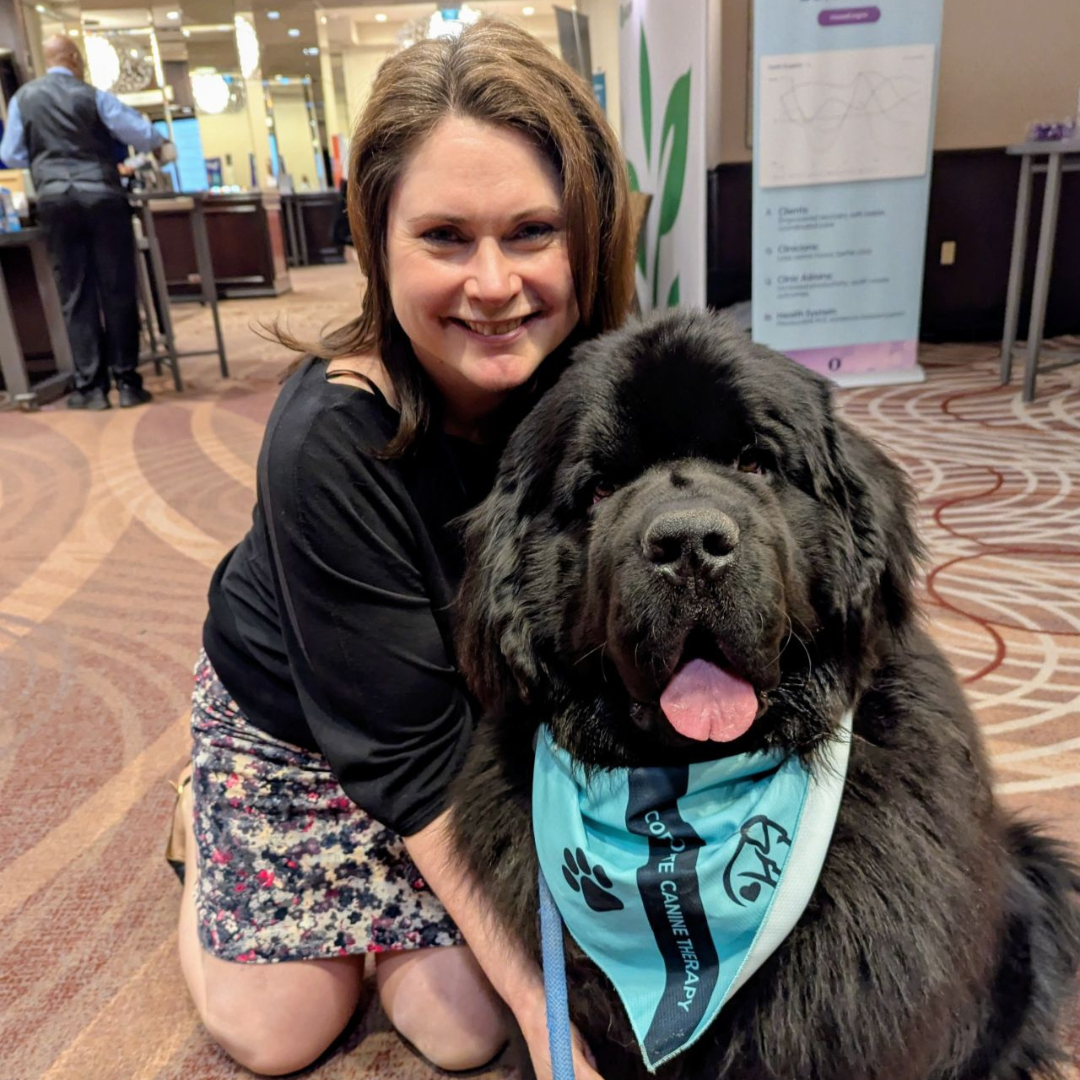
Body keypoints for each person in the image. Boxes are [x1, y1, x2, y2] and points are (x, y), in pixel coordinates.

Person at [169, 17, 634, 1079]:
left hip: (458, 711)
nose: (492, 285)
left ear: (591, 234)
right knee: (280, 1032)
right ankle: (198, 828)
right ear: (378, 244)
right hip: (304, 729)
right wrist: (556, 1038)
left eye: (531, 232)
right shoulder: (326, 441)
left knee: (460, 1031)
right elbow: (409, 761)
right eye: (444, 238)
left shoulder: (591, 380)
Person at [0, 35, 170, 410]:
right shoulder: (92, 96)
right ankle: (127, 383)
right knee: (118, 288)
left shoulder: (23, 99)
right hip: (102, 197)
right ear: (75, 59)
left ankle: (90, 389)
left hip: (56, 200)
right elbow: (144, 135)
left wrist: (47, 160)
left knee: (75, 293)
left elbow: (10, 156)